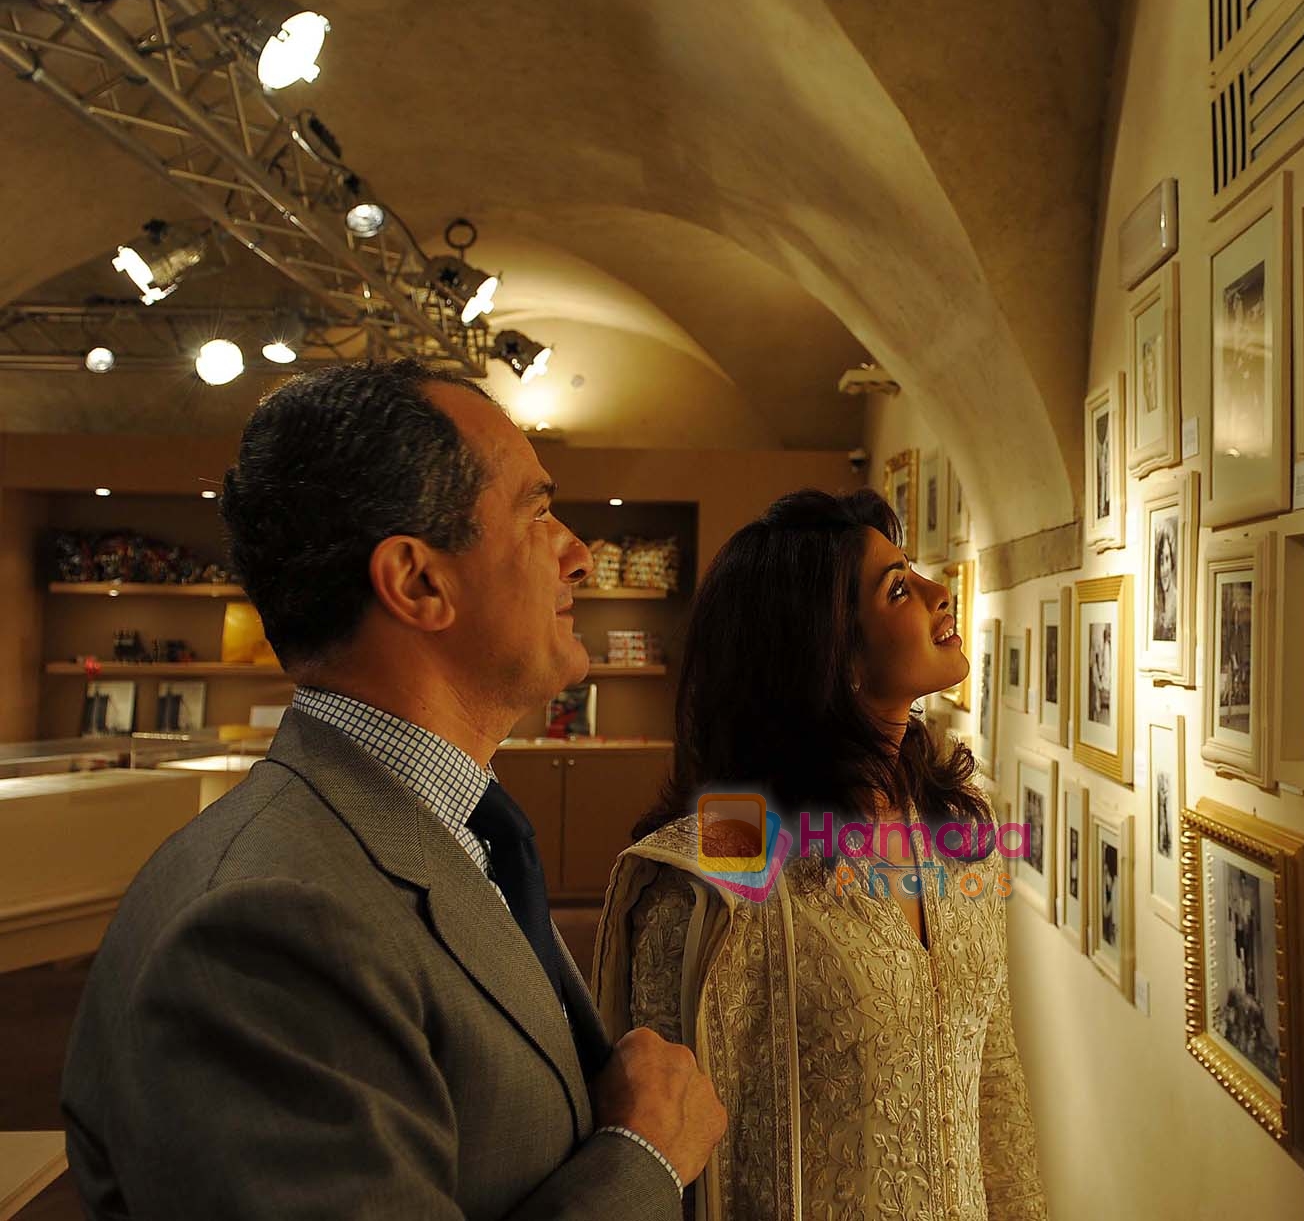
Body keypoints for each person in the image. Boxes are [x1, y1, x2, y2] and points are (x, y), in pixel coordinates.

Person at [61, 360, 725, 1219]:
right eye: (536, 511)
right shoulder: (269, 926)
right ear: (418, 582)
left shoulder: (438, 837)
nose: (579, 555)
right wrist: (640, 1161)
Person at [592, 489, 1047, 1219]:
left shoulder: (956, 833)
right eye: (899, 587)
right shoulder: (717, 873)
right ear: (833, 657)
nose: (939, 592)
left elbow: (992, 1081)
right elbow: (672, 1162)